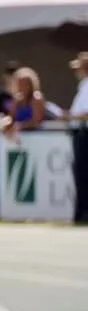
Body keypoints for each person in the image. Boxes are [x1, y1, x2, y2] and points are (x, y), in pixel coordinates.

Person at [69, 53, 88, 227]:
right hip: (80, 133)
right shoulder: (83, 86)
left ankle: (83, 213)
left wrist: (69, 116)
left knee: (83, 175)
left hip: (85, 134)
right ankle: (81, 213)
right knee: (80, 175)